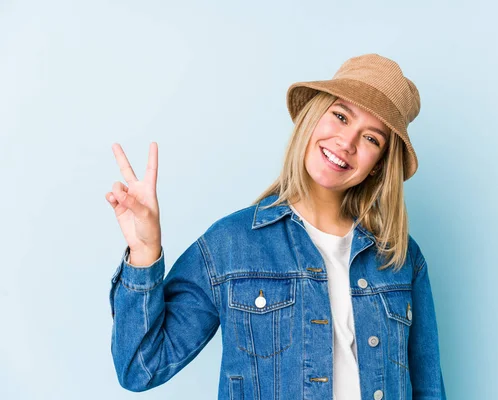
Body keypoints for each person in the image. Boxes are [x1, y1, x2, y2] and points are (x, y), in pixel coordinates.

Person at [106, 53, 446, 400]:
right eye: (341, 116)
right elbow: (139, 368)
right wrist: (144, 253)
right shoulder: (231, 245)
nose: (347, 142)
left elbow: (429, 389)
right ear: (313, 118)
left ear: (378, 166)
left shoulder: (401, 259)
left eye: (372, 138)